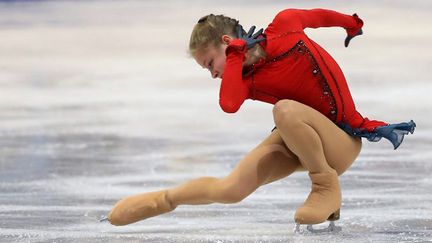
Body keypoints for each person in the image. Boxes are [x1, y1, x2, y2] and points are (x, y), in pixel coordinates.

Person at [106, 8, 416, 228]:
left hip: (341, 141)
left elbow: (317, 17)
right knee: (233, 188)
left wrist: (351, 23)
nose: (213, 73)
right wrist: (236, 57)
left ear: (225, 43)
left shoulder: (284, 25)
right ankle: (164, 199)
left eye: (210, 63)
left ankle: (324, 186)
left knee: (284, 110)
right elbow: (229, 104)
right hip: (299, 136)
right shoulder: (245, 80)